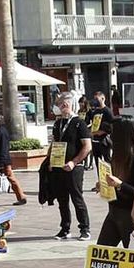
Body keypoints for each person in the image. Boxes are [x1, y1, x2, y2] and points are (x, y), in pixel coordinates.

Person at [45, 92, 92, 241]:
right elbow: (54, 143)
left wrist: (74, 162)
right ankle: (65, 228)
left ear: (66, 104)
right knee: (62, 199)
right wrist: (50, 160)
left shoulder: (79, 123)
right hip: (58, 167)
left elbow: (87, 146)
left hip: (74, 168)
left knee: (77, 198)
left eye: (59, 104)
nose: (58, 107)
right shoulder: (58, 124)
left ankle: (85, 229)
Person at [97, 117, 134, 247]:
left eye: (113, 133)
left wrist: (120, 184)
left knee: (131, 251)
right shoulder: (117, 156)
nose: (110, 136)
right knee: (101, 251)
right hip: (114, 210)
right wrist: (104, 185)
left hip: (129, 214)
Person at [87, 90, 113, 164]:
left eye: (97, 99)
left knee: (106, 161)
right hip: (95, 140)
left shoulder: (107, 111)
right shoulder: (95, 111)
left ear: (103, 98)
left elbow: (111, 126)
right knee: (97, 161)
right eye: (94, 99)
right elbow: (92, 123)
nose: (95, 101)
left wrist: (101, 132)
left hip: (104, 140)